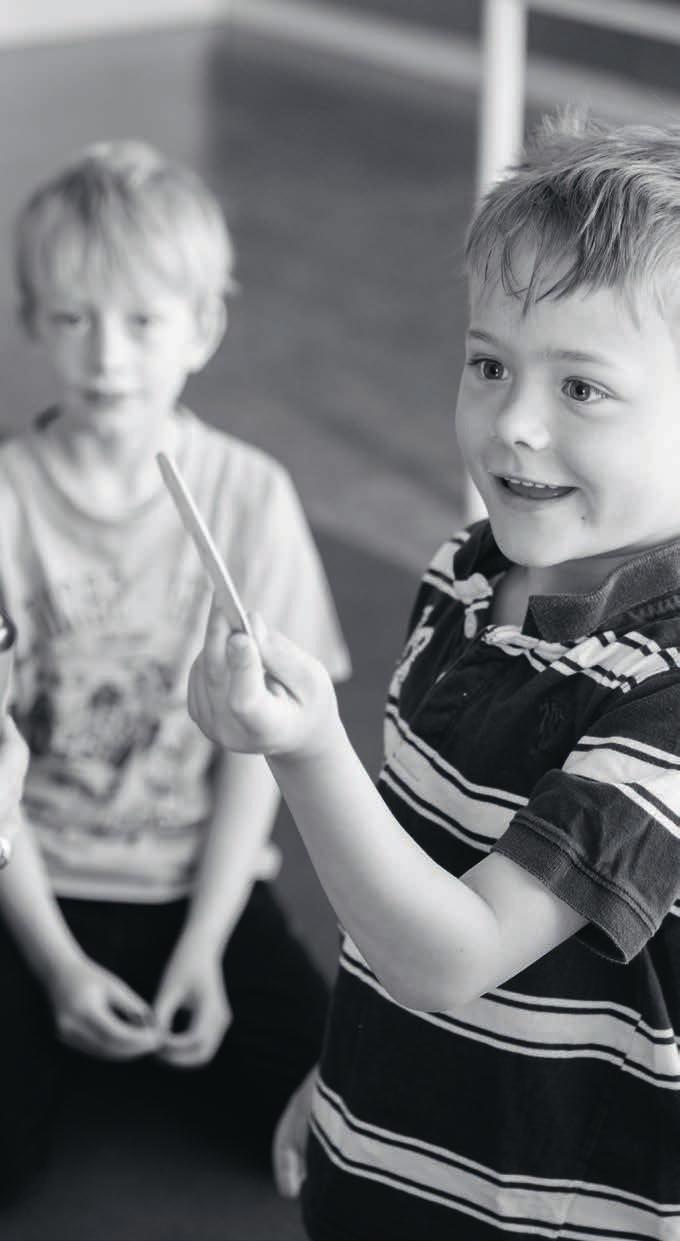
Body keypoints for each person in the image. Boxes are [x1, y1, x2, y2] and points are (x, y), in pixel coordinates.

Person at [188, 111, 680, 1240]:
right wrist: (351, 1075)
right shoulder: (463, 577)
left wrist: (307, 752)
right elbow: (403, 886)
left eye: (581, 389)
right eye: (487, 363)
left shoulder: (661, 690)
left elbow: (453, 955)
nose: (511, 422)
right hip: (390, 1163)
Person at [0, 140, 350, 1199]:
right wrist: (56, 963)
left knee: (334, 1135)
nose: (107, 356)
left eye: (143, 320)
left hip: (198, 882)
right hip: (29, 881)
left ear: (202, 326)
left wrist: (202, 942)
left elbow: (265, 751)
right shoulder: (7, 501)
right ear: (32, 322)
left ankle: (156, 996)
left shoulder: (249, 495)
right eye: (72, 318)